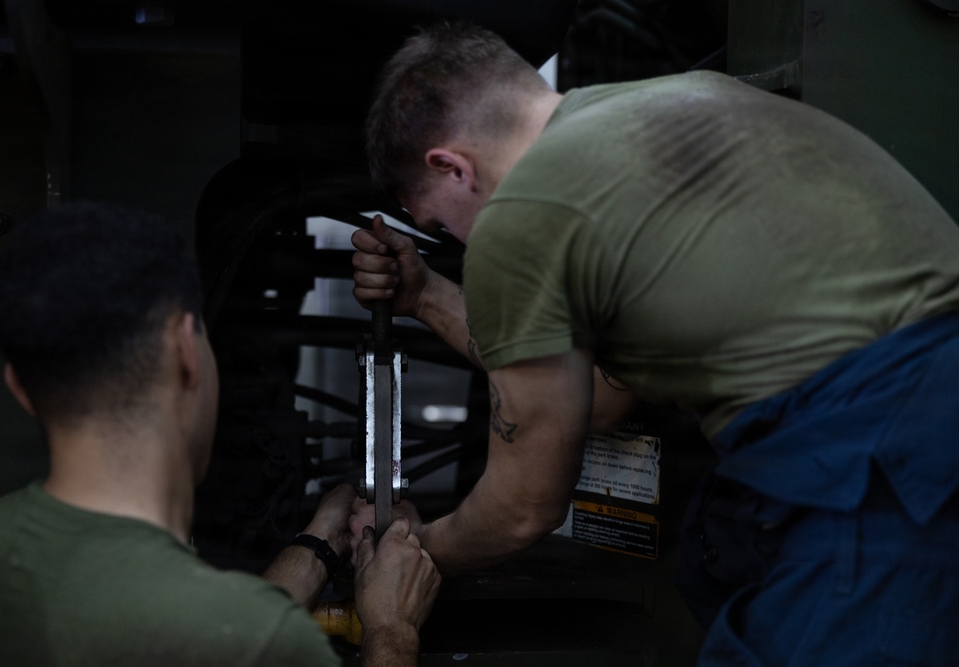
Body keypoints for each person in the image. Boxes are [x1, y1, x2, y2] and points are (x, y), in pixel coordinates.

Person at [349, 21, 959, 666]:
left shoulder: (521, 213)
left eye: (443, 223)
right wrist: (425, 296)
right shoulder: (679, 105)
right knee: (710, 558)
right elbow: (595, 400)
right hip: (915, 417)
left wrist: (403, 560)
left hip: (876, 452)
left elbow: (524, 508)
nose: (464, 239)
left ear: (451, 165)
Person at [0, 202, 440, 667]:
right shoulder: (253, 639)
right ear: (186, 355)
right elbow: (229, 634)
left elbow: (223, 634)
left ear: (20, 390)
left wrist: (321, 538)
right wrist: (391, 629)